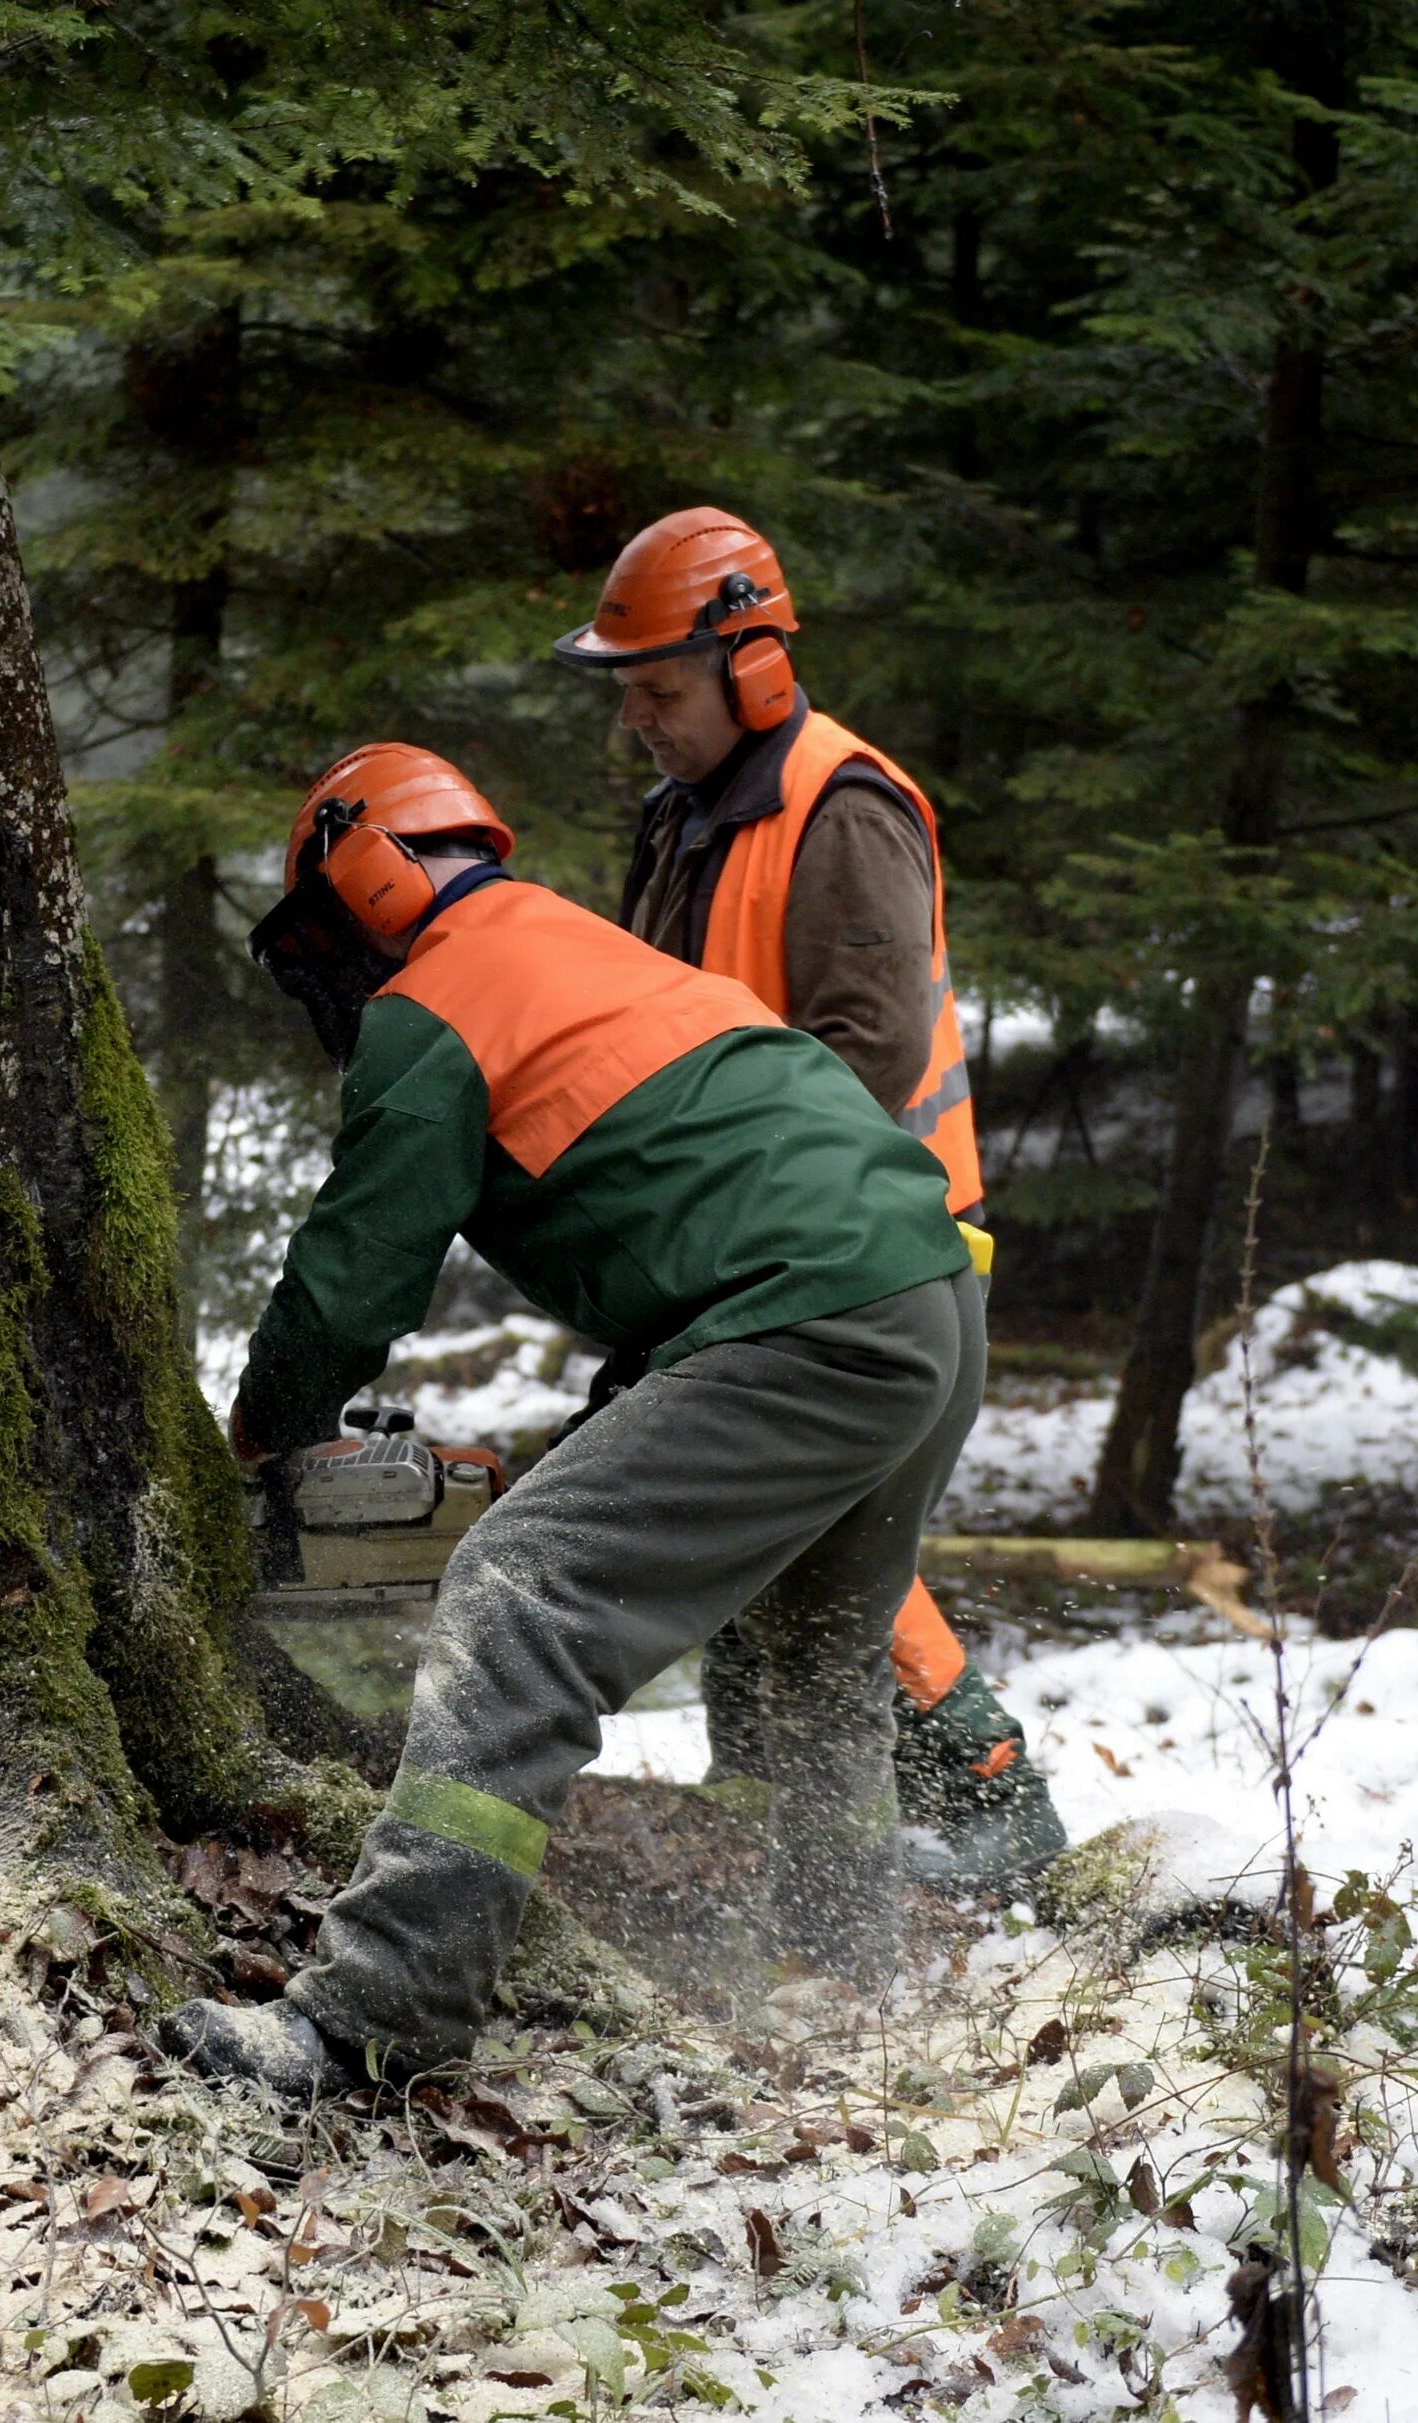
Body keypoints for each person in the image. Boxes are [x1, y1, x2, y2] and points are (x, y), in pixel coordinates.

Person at [161, 742, 986, 2096]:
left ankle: (378, 2013)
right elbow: (711, 1208)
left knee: (519, 1592)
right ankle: (846, 1986)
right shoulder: (581, 948)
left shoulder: (438, 1003)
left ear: (371, 874)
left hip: (812, 1315)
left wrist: (263, 1431)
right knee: (825, 1653)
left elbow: (354, 1276)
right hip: (928, 1302)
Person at [552, 505, 1065, 1891]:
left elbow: (867, 1046)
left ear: (754, 667)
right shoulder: (690, 817)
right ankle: (786, 1847)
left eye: (659, 692)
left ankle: (993, 1803)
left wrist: (712, 1181)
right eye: (630, 696)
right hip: (761, 1246)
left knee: (834, 1556)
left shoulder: (841, 808)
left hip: (882, 1239)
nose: (638, 724)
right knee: (777, 1561)